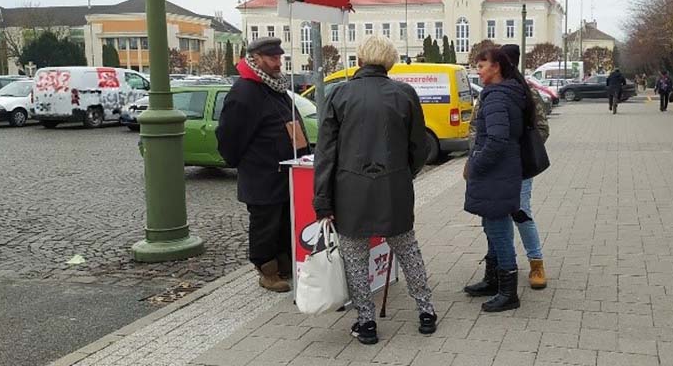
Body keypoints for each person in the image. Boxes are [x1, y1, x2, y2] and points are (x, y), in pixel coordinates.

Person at [313, 35, 436, 345]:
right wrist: (404, 174)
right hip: (393, 187)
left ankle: (365, 322)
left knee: (355, 256)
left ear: (360, 59)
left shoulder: (339, 94)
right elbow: (419, 147)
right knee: (407, 249)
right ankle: (426, 311)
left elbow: (325, 154)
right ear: (389, 61)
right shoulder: (404, 94)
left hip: (350, 190)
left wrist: (322, 201)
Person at [216, 37, 310, 293]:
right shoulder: (244, 92)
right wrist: (246, 164)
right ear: (255, 58)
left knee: (283, 223)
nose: (278, 62)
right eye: (272, 58)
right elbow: (229, 139)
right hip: (262, 176)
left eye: (279, 57)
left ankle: (283, 264)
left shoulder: (274, 87)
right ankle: (267, 272)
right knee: (265, 227)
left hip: (284, 173)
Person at [464, 45, 548, 295]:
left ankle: (536, 264)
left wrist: (514, 155)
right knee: (493, 220)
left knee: (520, 214)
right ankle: (495, 273)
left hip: (514, 167)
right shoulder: (492, 92)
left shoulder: (522, 93)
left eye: (482, 66)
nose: (479, 71)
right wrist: (474, 156)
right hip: (491, 166)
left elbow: (539, 130)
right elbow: (476, 128)